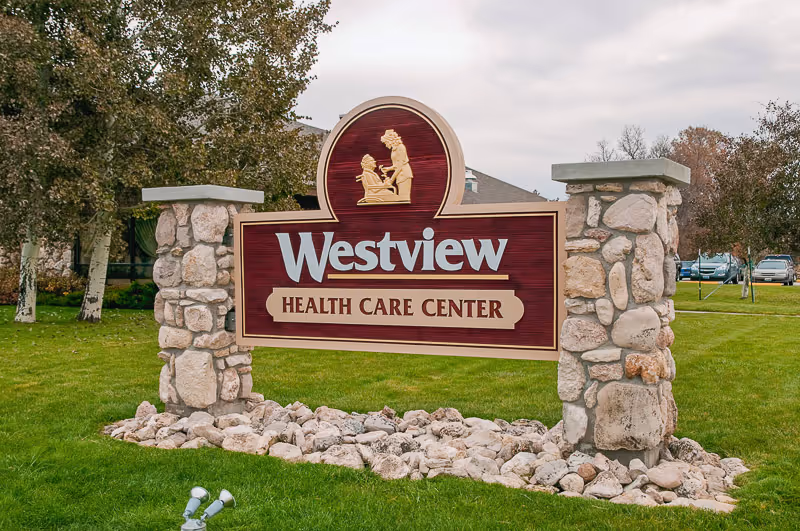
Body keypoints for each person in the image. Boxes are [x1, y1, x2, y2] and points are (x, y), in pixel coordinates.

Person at [379, 129, 413, 202]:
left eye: (385, 142)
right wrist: (388, 169)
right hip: (400, 175)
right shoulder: (394, 149)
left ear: (390, 140)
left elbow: (400, 166)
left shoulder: (400, 147)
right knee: (401, 198)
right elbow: (396, 165)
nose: (385, 144)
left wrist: (391, 180)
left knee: (404, 198)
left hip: (404, 174)